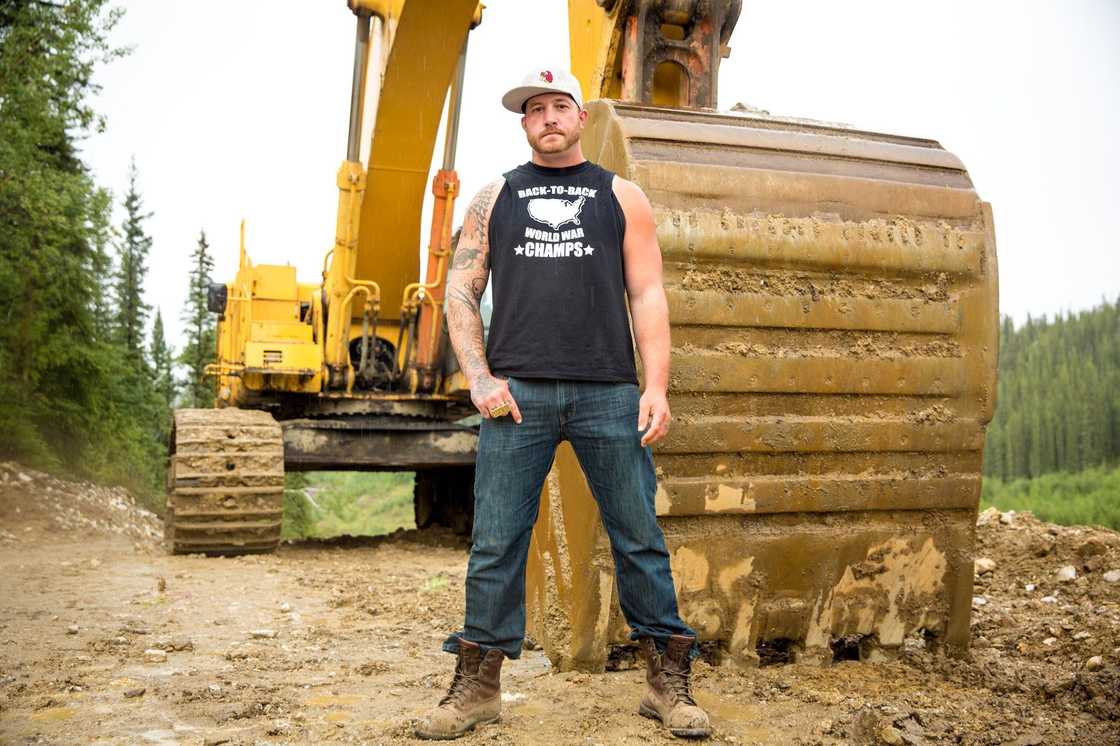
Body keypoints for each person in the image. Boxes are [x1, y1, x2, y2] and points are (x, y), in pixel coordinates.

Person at [414, 68, 710, 741]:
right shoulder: (495, 197)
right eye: (534, 109)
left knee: (639, 536)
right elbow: (460, 290)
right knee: (496, 541)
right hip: (518, 396)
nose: (548, 117)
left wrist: (655, 385)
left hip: (609, 390)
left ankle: (666, 683)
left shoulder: (621, 196)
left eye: (559, 106)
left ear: (580, 116)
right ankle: (478, 686)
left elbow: (649, 295)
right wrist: (479, 377)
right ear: (524, 124)